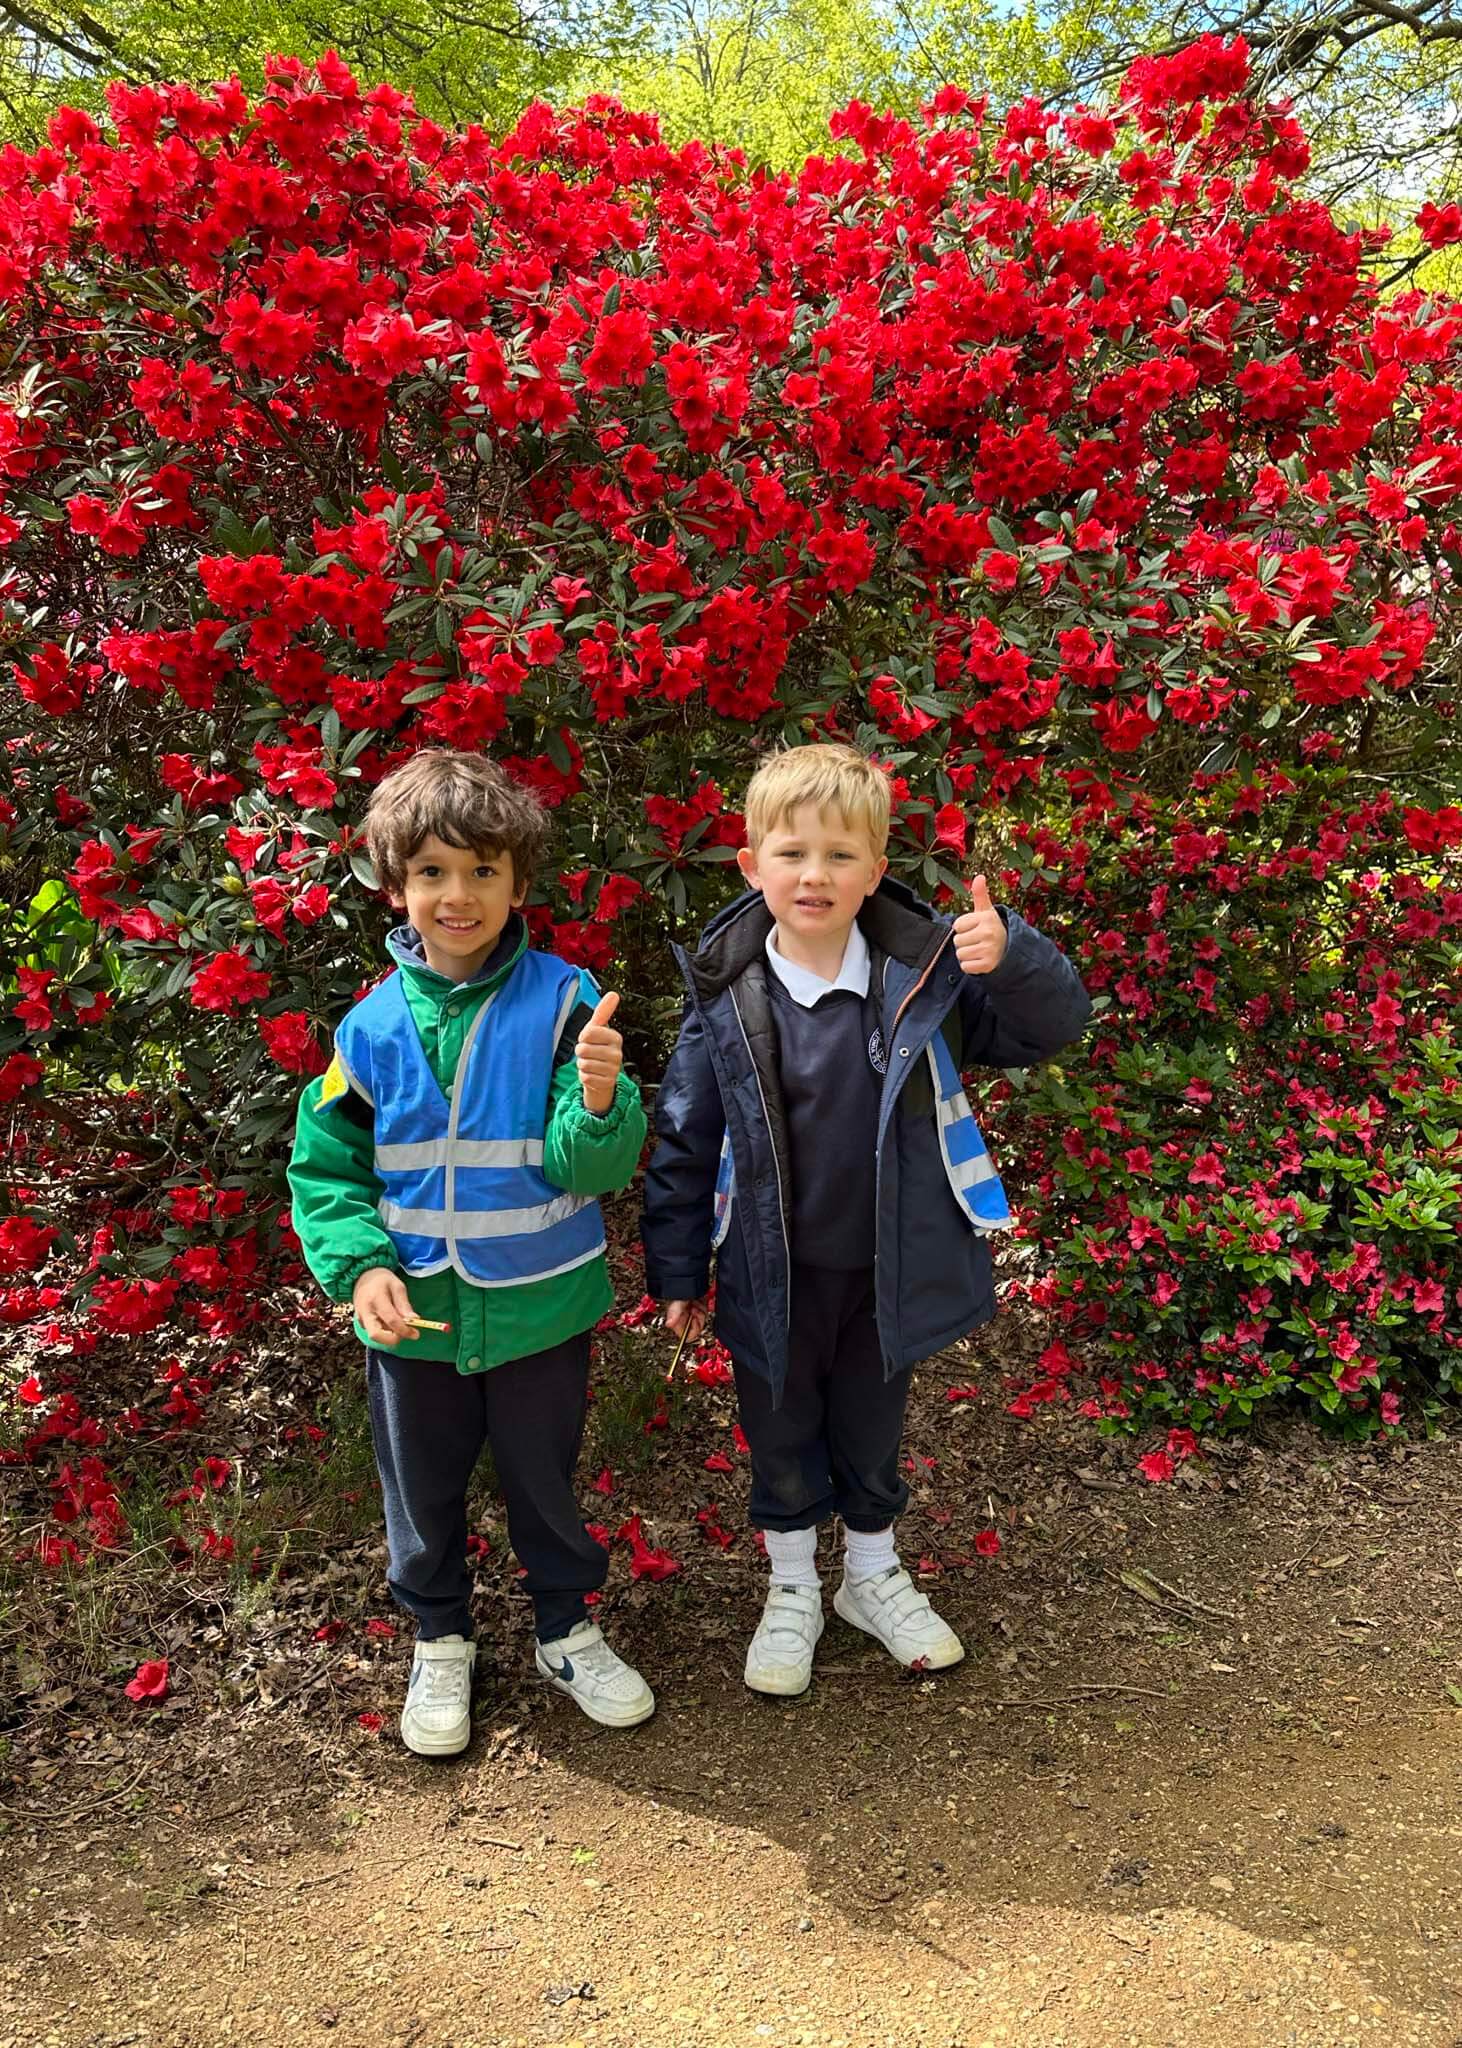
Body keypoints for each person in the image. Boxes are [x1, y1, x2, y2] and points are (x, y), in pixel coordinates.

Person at [641, 742, 1090, 1697]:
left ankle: (873, 1575)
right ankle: (795, 1586)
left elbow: (1051, 1028)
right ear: (751, 864)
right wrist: (678, 1272)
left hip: (887, 1267)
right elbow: (682, 1135)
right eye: (793, 853)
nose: (816, 875)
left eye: (841, 856)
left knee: (871, 1426)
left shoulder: (923, 977)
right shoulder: (726, 995)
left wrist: (1014, 958)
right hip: (772, 1273)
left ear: (876, 870)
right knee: (781, 1427)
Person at [288, 748, 652, 1755]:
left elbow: (597, 1166)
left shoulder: (568, 1000)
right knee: (423, 1486)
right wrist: (361, 1266)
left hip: (540, 1309)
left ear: (518, 885)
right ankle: (440, 1635)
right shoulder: (365, 1028)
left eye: (483, 871)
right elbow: (327, 1168)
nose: (459, 894)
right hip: (415, 1318)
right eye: (436, 871)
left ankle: (564, 1627)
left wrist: (598, 1097)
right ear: (396, 883)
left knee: (544, 1477)